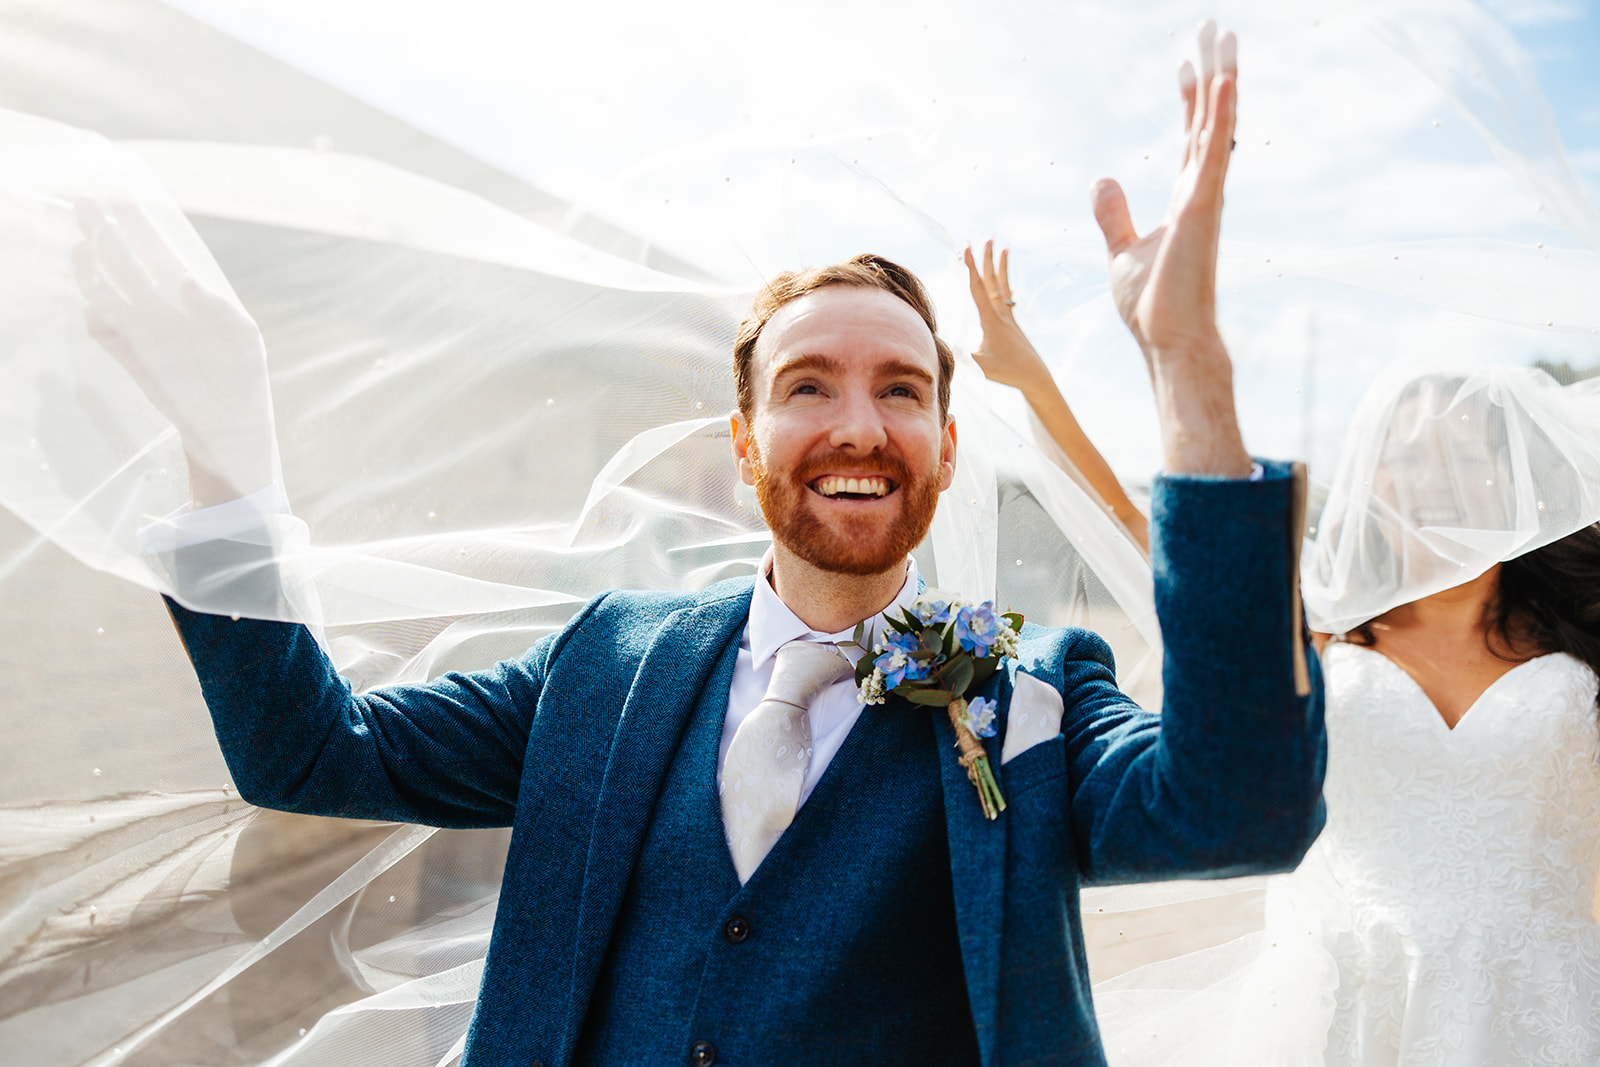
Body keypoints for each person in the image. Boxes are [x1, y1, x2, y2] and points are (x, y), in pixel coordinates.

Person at [73, 23, 1323, 1067]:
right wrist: (225, 451)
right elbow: (311, 754)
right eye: (808, 385)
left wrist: (1190, 374)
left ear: (947, 443)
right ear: (743, 438)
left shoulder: (1031, 687)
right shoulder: (602, 665)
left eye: (900, 389)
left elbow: (1241, 812)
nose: (857, 424)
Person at [971, 249, 1600, 1062]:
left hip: (1547, 1001)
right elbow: (1142, 531)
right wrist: (1031, 380)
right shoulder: (1317, 621)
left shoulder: (1582, 631)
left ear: (1517, 478)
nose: (1435, 480)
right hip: (1352, 995)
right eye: (1408, 458)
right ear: (1376, 484)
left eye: (1467, 454)